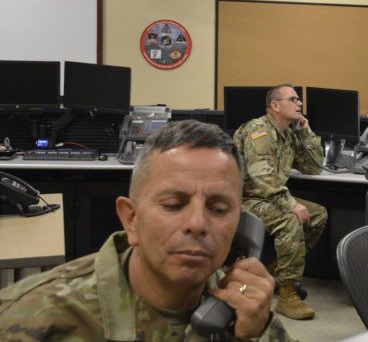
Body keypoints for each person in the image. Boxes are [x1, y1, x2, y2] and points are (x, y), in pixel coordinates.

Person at [0, 120, 291, 341]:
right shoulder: (31, 318)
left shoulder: (238, 306)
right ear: (131, 219)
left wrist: (260, 331)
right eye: (174, 204)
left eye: (219, 209)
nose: (198, 224)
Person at [233, 84, 327, 320]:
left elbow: (314, 167)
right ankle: (287, 294)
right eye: (293, 99)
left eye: (299, 100)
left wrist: (306, 132)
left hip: (268, 198)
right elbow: (261, 176)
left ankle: (272, 274)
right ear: (275, 106)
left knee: (318, 214)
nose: (300, 104)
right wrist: (292, 204)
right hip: (245, 199)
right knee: (290, 219)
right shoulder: (259, 131)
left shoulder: (287, 134)